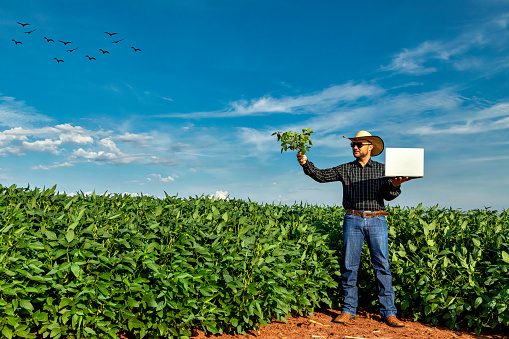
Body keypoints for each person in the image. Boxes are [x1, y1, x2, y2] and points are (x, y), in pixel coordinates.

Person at [296, 130, 410, 328]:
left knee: (382, 267)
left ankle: (389, 313)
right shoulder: (345, 169)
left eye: (359, 144)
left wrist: (396, 184)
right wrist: (306, 164)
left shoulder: (384, 170)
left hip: (377, 219)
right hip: (353, 219)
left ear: (370, 147)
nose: (355, 147)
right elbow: (322, 176)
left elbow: (389, 195)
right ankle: (348, 310)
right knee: (349, 266)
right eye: (352, 145)